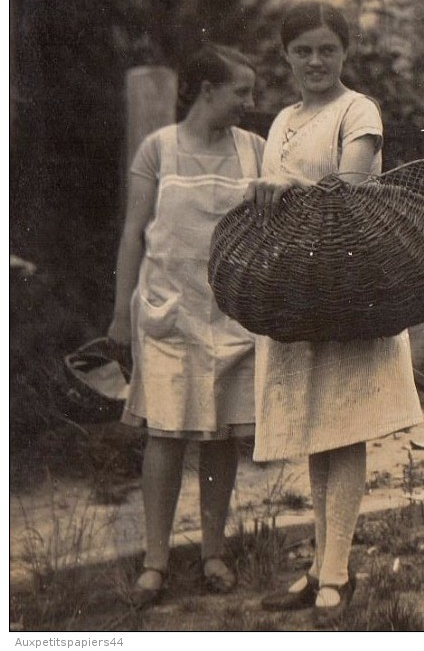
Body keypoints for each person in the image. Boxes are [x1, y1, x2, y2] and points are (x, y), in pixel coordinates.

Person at [245, 2, 423, 626]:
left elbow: (351, 193)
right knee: (316, 427)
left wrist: (286, 194)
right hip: (299, 290)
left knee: (344, 425)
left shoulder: (358, 110)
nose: (315, 62)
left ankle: (338, 573)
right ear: (287, 56)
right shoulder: (284, 118)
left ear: (344, 52)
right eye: (303, 51)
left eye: (326, 49)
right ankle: (322, 564)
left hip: (349, 287)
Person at [107, 44, 264, 608]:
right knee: (166, 437)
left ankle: (213, 553)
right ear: (207, 91)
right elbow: (133, 234)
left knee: (220, 437)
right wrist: (120, 316)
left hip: (229, 315)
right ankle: (155, 560)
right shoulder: (159, 149)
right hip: (167, 313)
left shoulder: (255, 151)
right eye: (241, 91)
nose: (250, 103)